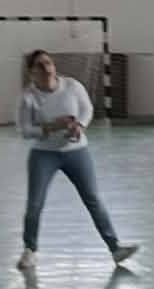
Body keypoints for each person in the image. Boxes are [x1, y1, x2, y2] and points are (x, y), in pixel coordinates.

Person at [15, 49, 137, 271]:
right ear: (32, 72)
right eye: (40, 65)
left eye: (49, 63)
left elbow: (87, 109)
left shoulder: (72, 86)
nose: (47, 68)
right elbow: (25, 130)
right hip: (44, 154)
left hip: (76, 152)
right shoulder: (28, 97)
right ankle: (29, 250)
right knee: (35, 203)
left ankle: (115, 248)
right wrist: (53, 127)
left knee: (93, 198)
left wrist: (79, 126)